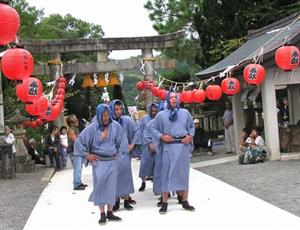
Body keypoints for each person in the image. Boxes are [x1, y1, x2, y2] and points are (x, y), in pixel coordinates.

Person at [74, 103, 128, 225]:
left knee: (111, 186)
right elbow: (79, 142)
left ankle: (110, 211)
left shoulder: (116, 126)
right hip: (99, 162)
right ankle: (102, 213)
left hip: (112, 161)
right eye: (103, 115)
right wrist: (87, 155)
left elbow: (122, 141)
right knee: (100, 186)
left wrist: (119, 154)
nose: (105, 118)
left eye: (107, 115)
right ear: (99, 115)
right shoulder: (92, 128)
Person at [149, 91, 195, 214]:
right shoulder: (161, 115)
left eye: (176, 97)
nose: (174, 99)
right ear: (168, 100)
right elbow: (152, 128)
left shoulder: (185, 113)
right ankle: (164, 202)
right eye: (171, 97)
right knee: (166, 174)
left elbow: (191, 127)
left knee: (184, 173)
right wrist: (161, 137)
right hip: (168, 148)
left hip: (182, 147)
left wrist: (190, 136)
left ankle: (185, 201)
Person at [109, 99, 140, 211]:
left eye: (121, 109)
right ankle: (116, 200)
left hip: (124, 153)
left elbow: (137, 131)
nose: (119, 111)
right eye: (116, 109)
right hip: (112, 154)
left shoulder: (127, 120)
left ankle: (127, 200)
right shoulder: (108, 122)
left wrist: (132, 145)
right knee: (114, 177)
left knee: (126, 176)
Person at [138, 102, 158, 192]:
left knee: (157, 165)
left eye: (155, 111)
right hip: (146, 145)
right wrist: (147, 143)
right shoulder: (144, 119)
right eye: (152, 111)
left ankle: (156, 183)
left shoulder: (159, 119)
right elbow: (141, 131)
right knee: (144, 165)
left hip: (158, 145)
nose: (154, 112)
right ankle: (143, 182)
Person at [66, 114, 87, 190]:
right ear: (71, 123)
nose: (77, 121)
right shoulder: (71, 131)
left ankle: (79, 181)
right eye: (75, 121)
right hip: (74, 152)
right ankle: (76, 184)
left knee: (79, 168)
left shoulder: (75, 130)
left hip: (77, 152)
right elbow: (77, 142)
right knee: (77, 168)